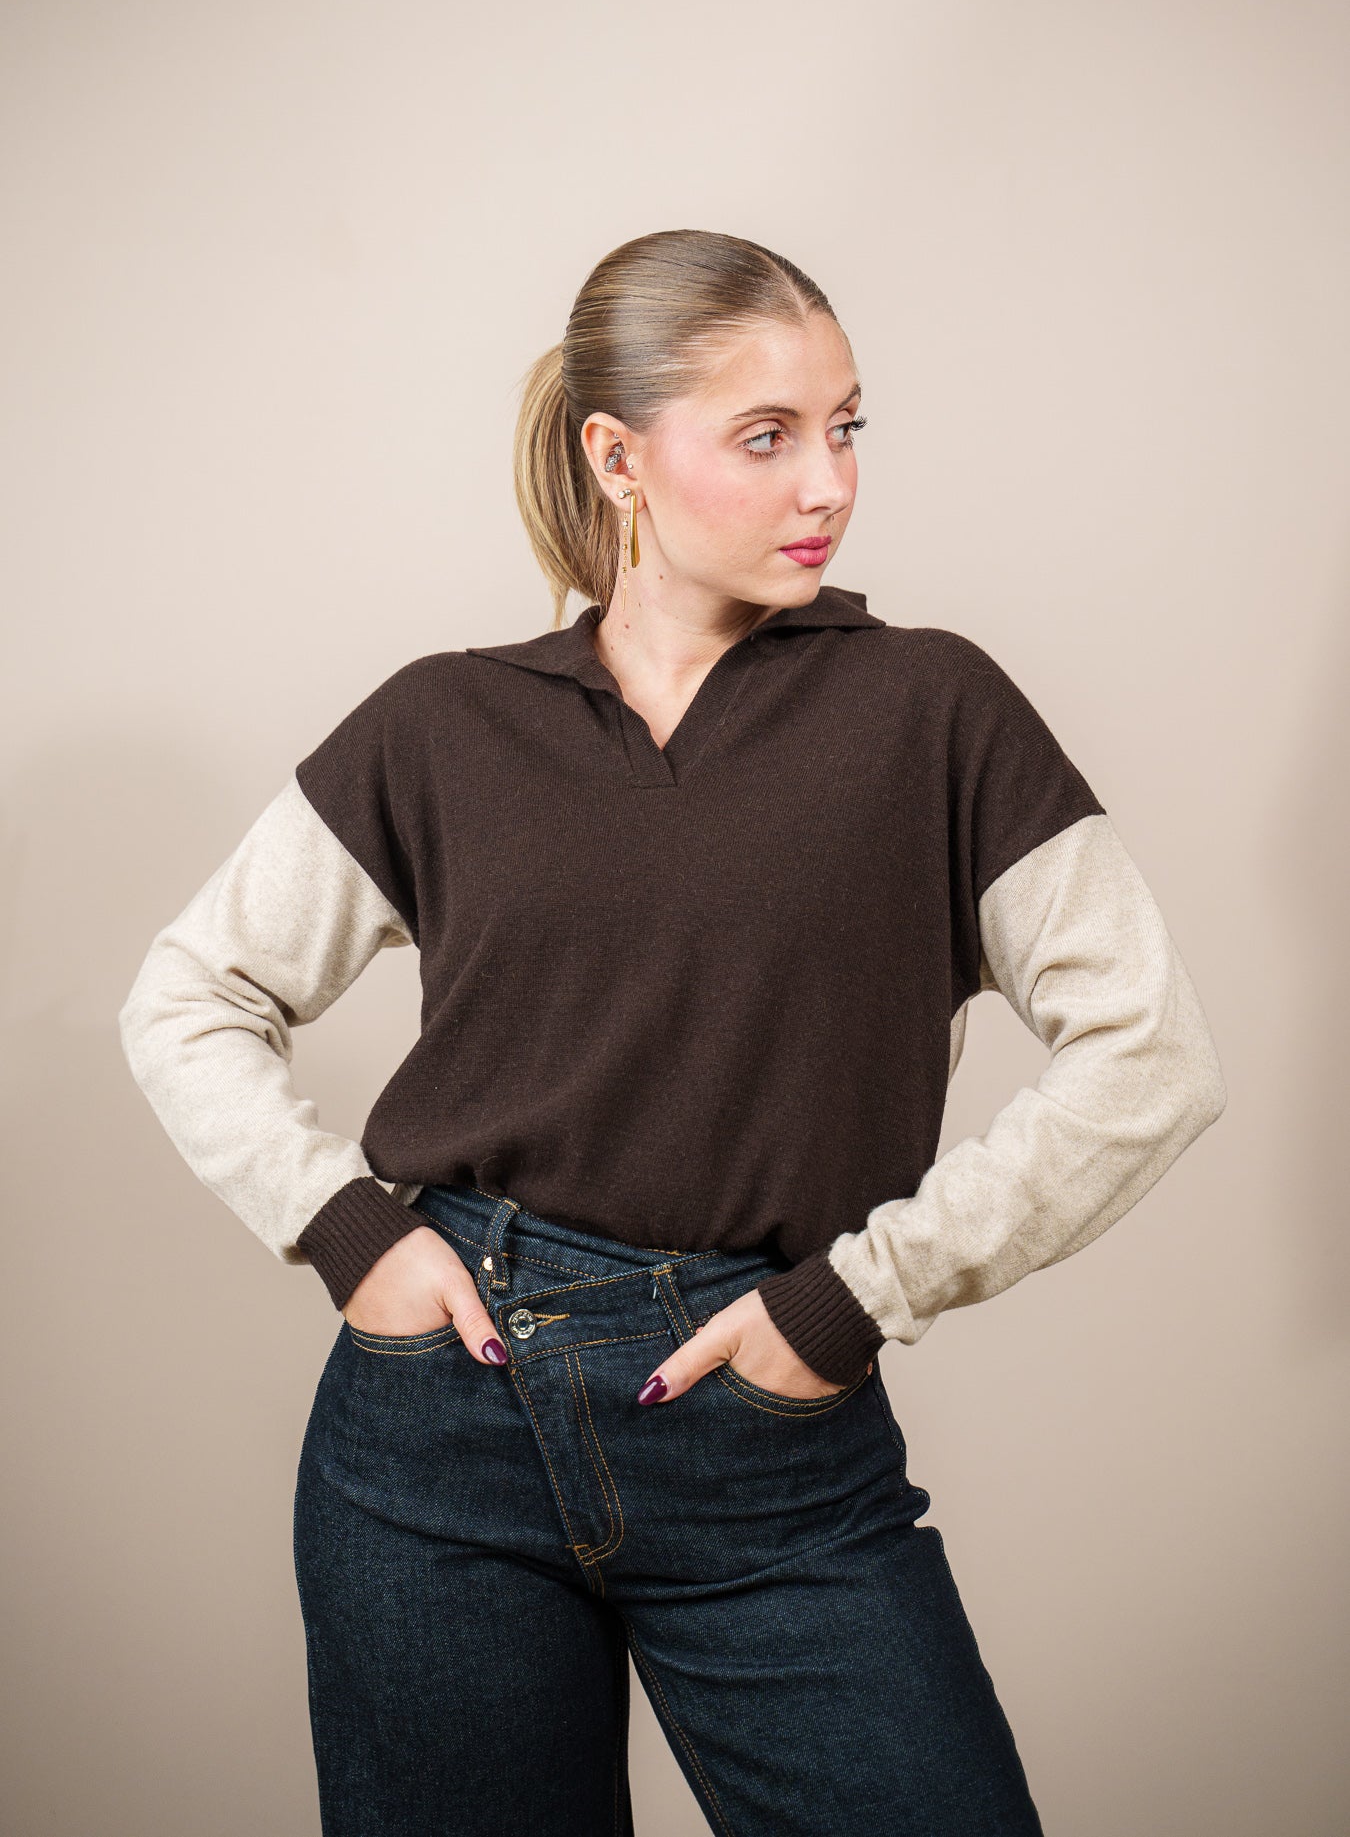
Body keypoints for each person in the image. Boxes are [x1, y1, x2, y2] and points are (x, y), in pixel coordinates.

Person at [118, 227, 1226, 1837]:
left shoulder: (932, 709)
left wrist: (861, 1295)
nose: (826, 483)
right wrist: (348, 1228)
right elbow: (188, 994)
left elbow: (1151, 1052)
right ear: (616, 457)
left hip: (767, 1421)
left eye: (845, 426)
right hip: (436, 1431)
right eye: (765, 436)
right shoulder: (444, 720)